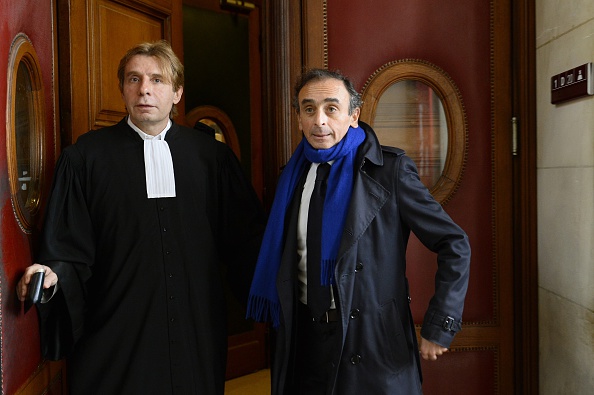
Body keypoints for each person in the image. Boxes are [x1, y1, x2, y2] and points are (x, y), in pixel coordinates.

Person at [16, 40, 265, 394]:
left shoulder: (213, 159)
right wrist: (53, 271)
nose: (144, 89)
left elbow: (247, 241)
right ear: (122, 89)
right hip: (116, 332)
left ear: (177, 92)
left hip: (196, 329)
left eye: (157, 80)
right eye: (134, 79)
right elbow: (68, 247)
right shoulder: (86, 158)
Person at [246, 68, 471, 394]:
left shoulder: (389, 171)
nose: (319, 121)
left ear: (354, 115)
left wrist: (441, 324)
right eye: (309, 109)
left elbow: (454, 242)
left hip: (372, 342)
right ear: (298, 118)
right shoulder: (291, 178)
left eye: (331, 108)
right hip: (304, 340)